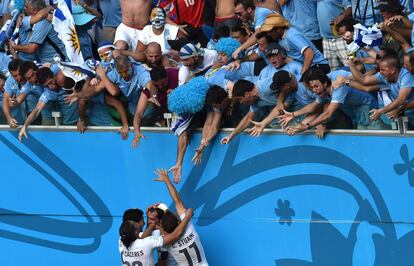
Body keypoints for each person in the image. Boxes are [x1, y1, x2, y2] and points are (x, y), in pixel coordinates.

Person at [153, 169, 209, 266]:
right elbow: (177, 200)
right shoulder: (188, 227)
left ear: (165, 230)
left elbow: (161, 230)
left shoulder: (167, 242)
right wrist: (167, 180)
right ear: (177, 221)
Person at [119, 207, 194, 266]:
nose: (145, 222)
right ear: (135, 229)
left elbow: (142, 237)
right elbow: (175, 235)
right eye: (142, 220)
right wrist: (187, 216)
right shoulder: (148, 241)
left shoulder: (122, 239)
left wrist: (152, 225)